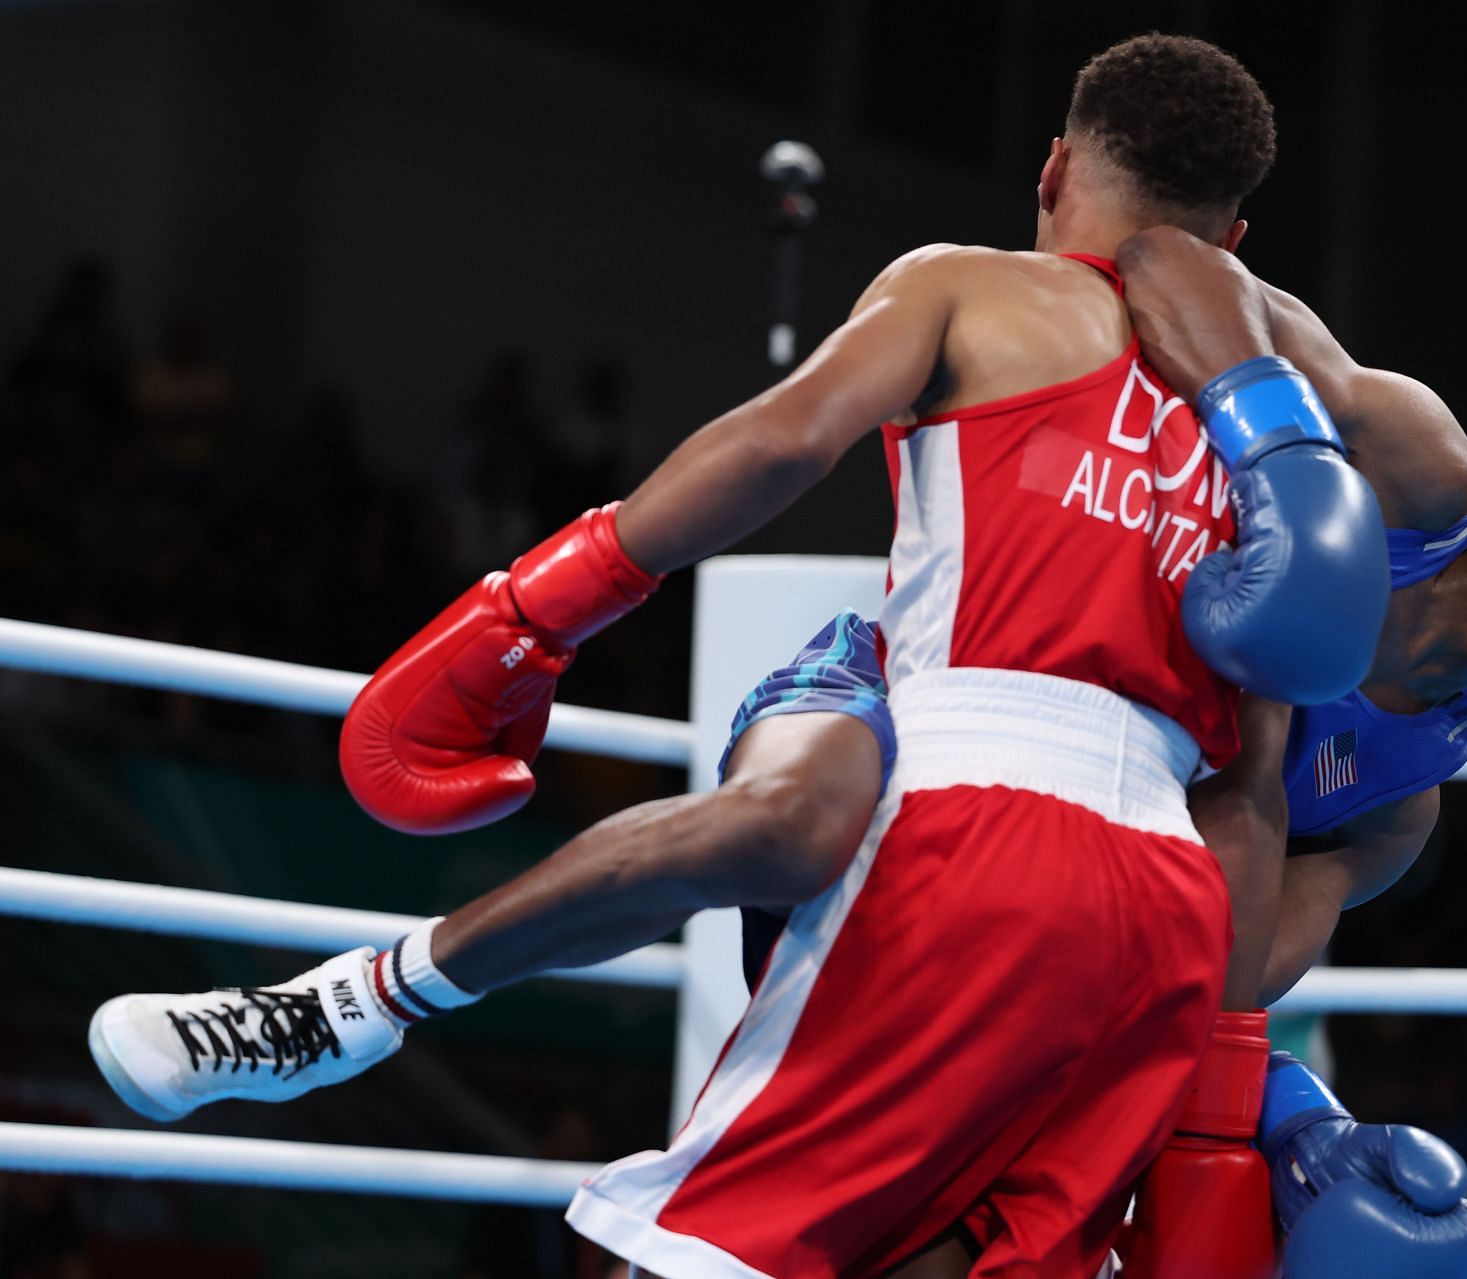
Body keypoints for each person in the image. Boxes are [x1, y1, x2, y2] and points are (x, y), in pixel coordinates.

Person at [93, 34, 1399, 1279]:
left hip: (969, 834)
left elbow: (783, 443)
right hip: (1162, 920)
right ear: (1233, 241)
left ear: (1055, 168)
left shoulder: (973, 286)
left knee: (729, 1243)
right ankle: (342, 1008)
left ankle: (349, 1005)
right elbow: (1277, 752)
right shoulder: (1289, 440)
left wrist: (539, 608)